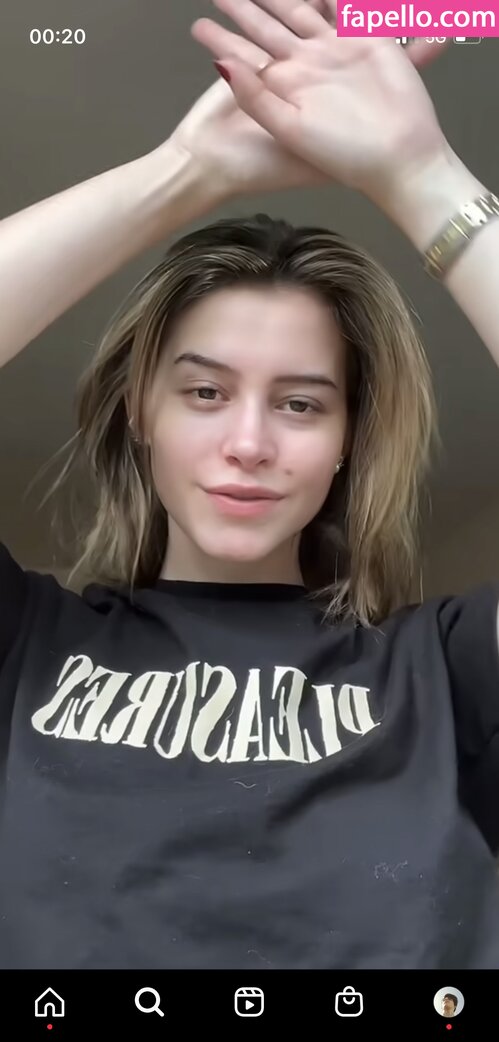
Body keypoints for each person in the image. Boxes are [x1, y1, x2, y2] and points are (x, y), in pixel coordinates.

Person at [0, 0, 499, 970]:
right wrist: (184, 173)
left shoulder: (447, 677)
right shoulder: (27, 651)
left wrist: (421, 178)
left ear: (349, 439)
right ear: (141, 412)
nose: (247, 442)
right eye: (203, 391)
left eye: (301, 404)